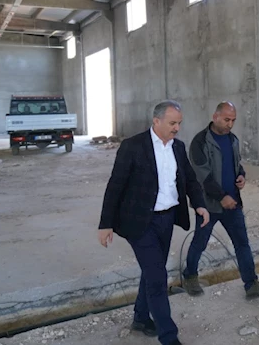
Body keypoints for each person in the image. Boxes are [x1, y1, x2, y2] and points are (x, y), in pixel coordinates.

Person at [98, 100, 209, 345]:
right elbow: (115, 185)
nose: (177, 128)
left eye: (179, 123)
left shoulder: (178, 147)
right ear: (156, 121)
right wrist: (105, 224)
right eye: (172, 123)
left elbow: (190, 180)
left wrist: (199, 204)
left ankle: (140, 318)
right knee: (158, 276)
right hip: (139, 221)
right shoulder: (133, 146)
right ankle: (169, 337)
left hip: (166, 219)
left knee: (152, 270)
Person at [181, 101, 259, 299]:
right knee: (200, 242)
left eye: (233, 120)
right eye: (226, 119)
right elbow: (202, 175)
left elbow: (236, 164)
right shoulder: (200, 142)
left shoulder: (233, 140)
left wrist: (241, 176)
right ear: (215, 117)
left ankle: (251, 284)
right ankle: (189, 276)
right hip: (208, 205)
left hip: (232, 202)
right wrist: (221, 196)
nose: (230, 124)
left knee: (242, 243)